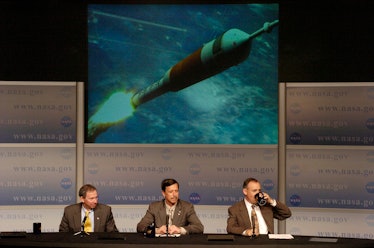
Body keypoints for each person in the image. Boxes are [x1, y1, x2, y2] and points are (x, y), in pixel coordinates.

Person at [137, 178, 204, 235]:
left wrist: (180, 230)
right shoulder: (154, 207)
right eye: (170, 191)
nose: (174, 195)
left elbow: (199, 227)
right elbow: (140, 227)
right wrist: (156, 231)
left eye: (176, 191)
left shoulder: (187, 207)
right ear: (163, 193)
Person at [227, 177, 291, 236]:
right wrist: (245, 232)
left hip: (267, 242)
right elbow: (230, 228)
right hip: (248, 243)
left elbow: (286, 214)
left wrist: (271, 201)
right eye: (254, 191)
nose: (258, 194)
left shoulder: (266, 206)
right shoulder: (235, 209)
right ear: (245, 191)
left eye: (259, 190)